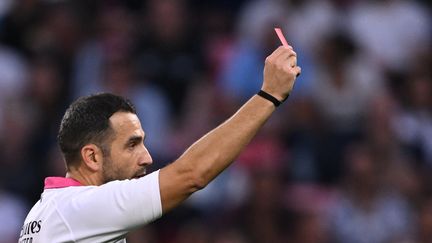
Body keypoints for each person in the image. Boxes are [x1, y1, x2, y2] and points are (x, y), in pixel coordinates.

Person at [18, 45, 301, 242]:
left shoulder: (54, 210)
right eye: (132, 145)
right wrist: (269, 95)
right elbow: (191, 174)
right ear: (92, 157)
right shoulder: (82, 208)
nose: (147, 158)